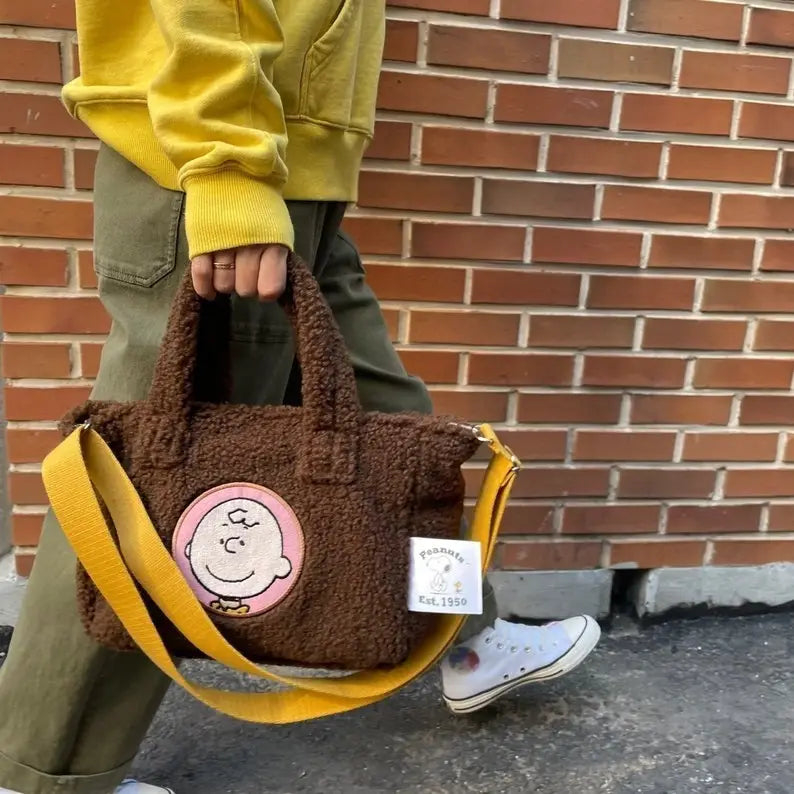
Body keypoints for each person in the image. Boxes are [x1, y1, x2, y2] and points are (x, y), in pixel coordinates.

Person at [0, 1, 600, 792]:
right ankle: (38, 770)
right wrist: (227, 168)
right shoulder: (225, 165)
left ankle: (463, 635)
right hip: (215, 167)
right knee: (145, 488)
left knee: (395, 429)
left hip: (295, 168)